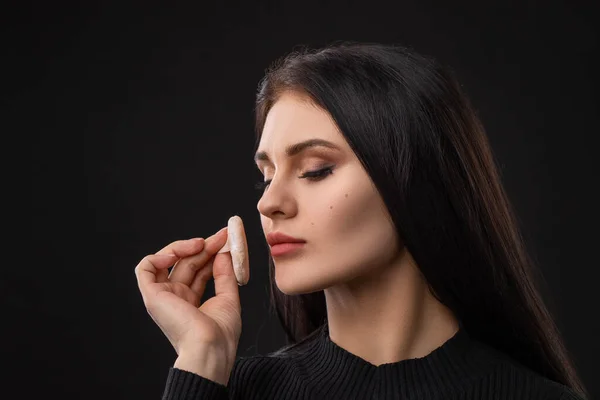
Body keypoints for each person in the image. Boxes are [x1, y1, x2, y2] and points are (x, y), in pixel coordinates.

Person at [134, 42, 589, 399]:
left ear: (414, 182)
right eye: (266, 176)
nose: (268, 203)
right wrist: (201, 359)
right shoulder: (230, 388)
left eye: (315, 170)